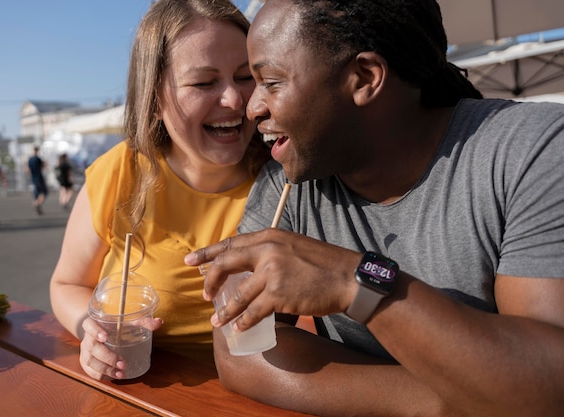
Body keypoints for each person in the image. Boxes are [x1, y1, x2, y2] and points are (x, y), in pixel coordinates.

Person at [184, 1, 564, 416]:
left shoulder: (531, 150)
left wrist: (359, 283)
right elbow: (241, 351)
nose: (251, 106)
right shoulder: (289, 181)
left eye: (271, 82)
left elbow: (548, 388)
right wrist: (454, 399)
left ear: (365, 77)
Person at [49, 0, 269, 381]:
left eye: (245, 76)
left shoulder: (285, 181)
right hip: (138, 390)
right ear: (153, 100)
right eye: (204, 82)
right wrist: (91, 331)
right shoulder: (121, 173)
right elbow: (67, 283)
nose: (234, 99)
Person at [27, 146, 47, 215]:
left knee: (36, 193)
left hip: (33, 178)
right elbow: (43, 166)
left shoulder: (30, 159)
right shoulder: (38, 159)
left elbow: (28, 170)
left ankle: (37, 205)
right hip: (39, 177)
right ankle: (37, 204)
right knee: (44, 192)